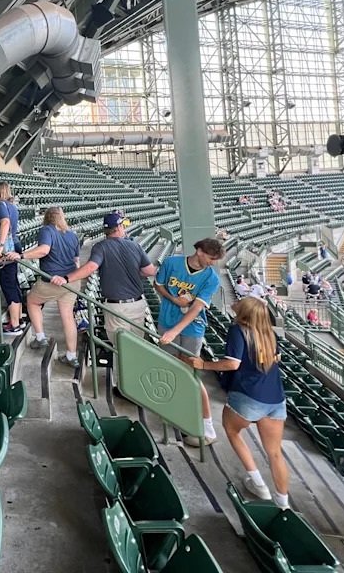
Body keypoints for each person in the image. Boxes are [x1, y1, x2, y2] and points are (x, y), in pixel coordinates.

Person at [180, 297, 289, 508]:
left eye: (241, 301)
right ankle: (283, 505)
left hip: (248, 395)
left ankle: (258, 483)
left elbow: (232, 364)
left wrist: (204, 364)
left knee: (232, 431)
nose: (236, 301)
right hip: (275, 399)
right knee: (275, 453)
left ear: (245, 312)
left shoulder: (239, 331)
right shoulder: (271, 334)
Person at [154, 238, 225, 447]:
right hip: (167, 320)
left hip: (193, 327)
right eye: (212, 258)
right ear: (200, 251)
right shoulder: (172, 263)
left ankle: (207, 424)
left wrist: (175, 330)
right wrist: (173, 299)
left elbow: (196, 309)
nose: (213, 263)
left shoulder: (212, 278)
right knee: (170, 368)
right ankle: (177, 413)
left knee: (190, 372)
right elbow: (158, 285)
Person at [51, 212, 155, 342]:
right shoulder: (135, 245)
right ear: (118, 228)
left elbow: (90, 267)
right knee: (136, 347)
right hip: (137, 305)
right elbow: (149, 271)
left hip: (116, 307)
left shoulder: (101, 247)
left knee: (121, 349)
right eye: (123, 225)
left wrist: (66, 278)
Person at [6, 207, 81, 367]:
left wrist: (21, 256)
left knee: (32, 301)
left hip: (53, 280)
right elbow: (77, 262)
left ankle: (40, 337)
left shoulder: (46, 230)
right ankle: (71, 355)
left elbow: (44, 250)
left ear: (47, 218)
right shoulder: (72, 235)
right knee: (67, 317)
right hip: (71, 280)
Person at [0, 182, 24, 335]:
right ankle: (18, 320)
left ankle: (14, 324)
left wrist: (0, 246)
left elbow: (5, 223)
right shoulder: (11, 206)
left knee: (8, 285)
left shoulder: (1, 205)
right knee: (13, 283)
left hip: (7, 250)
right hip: (15, 245)